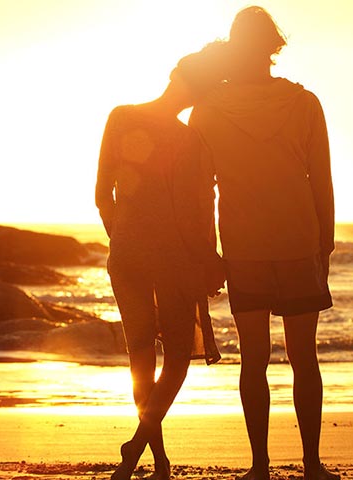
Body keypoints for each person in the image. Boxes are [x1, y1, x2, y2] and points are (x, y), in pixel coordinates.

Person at [186, 6, 340, 480]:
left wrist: (206, 251)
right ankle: (312, 464)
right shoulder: (304, 103)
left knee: (254, 358)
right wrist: (325, 247)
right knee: (303, 357)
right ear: (274, 47)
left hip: (243, 246)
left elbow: (197, 190)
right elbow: (322, 183)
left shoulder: (207, 111)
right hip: (298, 242)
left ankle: (259, 467)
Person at [95, 61, 226, 480]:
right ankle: (137, 450)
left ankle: (156, 461)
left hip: (127, 256)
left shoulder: (121, 116)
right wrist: (211, 259)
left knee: (142, 358)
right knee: (175, 362)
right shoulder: (188, 139)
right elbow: (192, 213)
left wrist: (123, 237)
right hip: (171, 259)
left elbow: (102, 196)